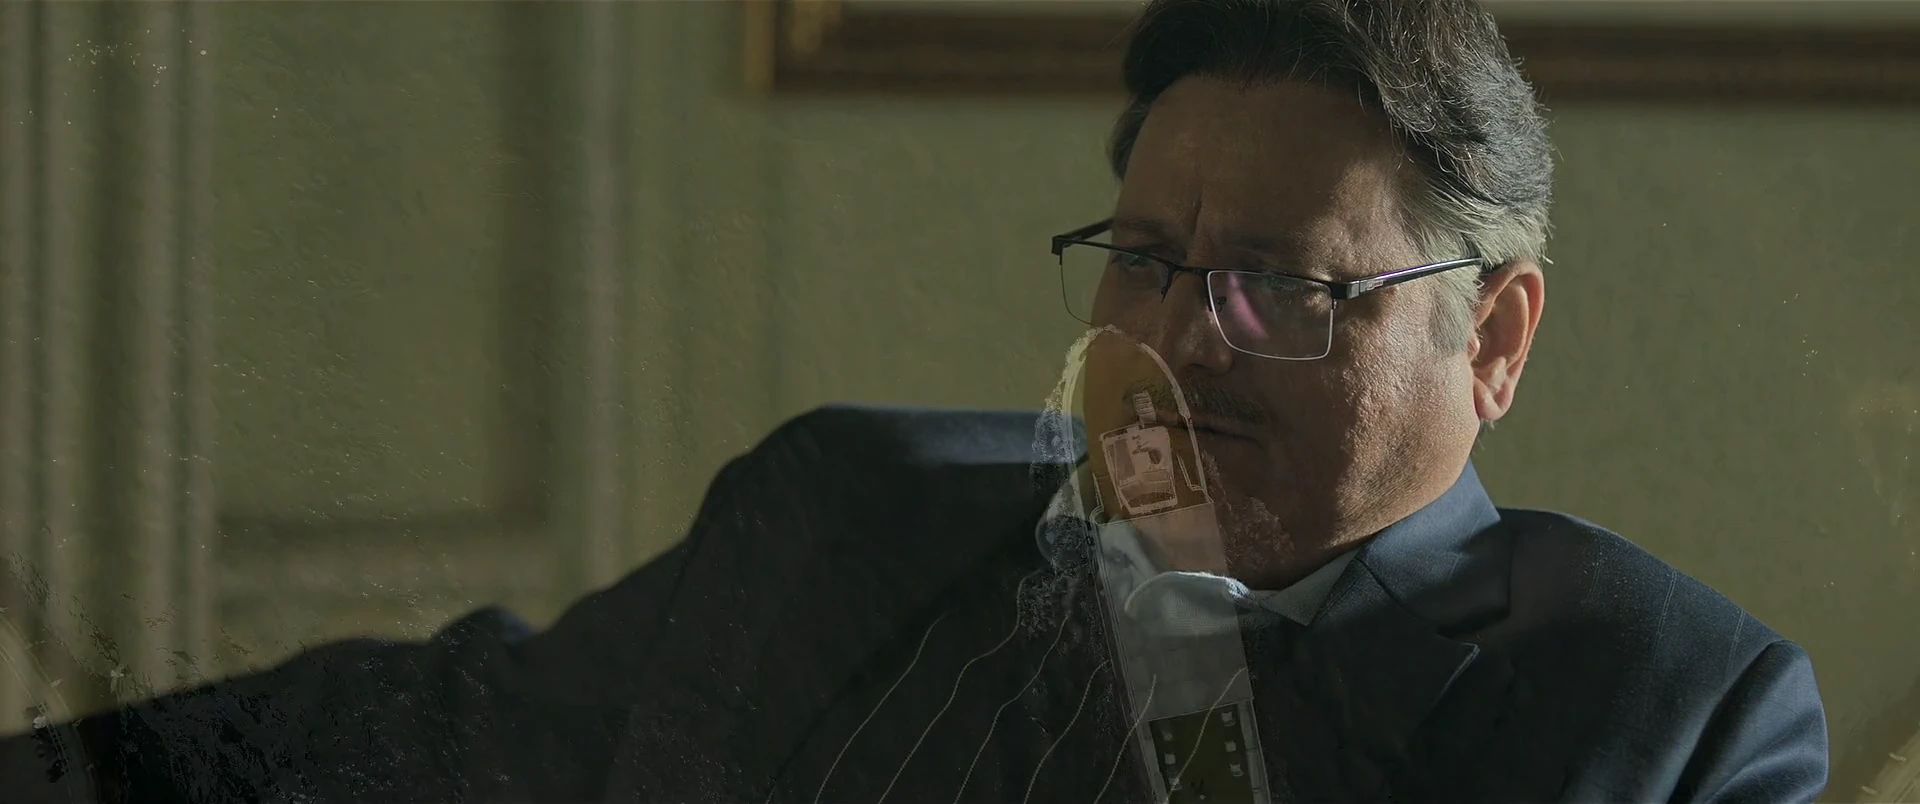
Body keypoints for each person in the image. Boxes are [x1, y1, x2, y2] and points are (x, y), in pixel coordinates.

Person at [1, 0, 1829, 801]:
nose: (1182, 341)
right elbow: (426, 738)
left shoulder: (1668, 719)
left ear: (1493, 339)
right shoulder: (851, 523)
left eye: (1281, 288)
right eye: (1146, 260)